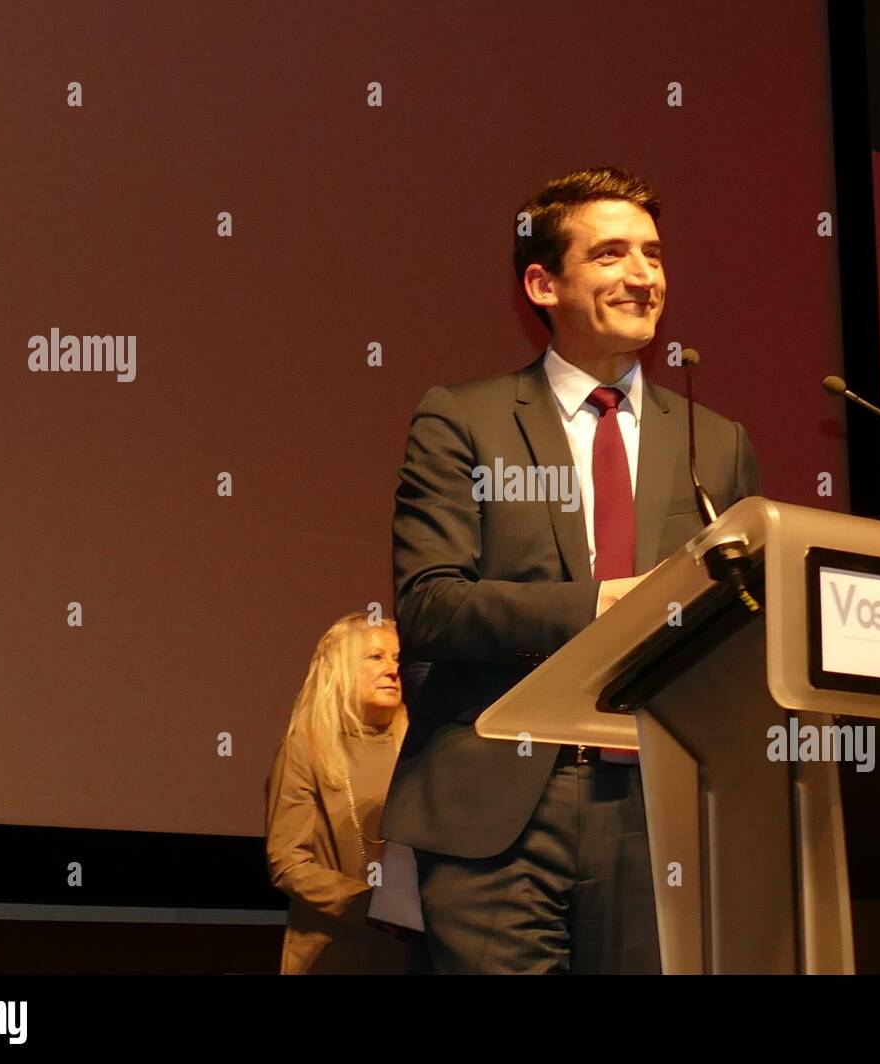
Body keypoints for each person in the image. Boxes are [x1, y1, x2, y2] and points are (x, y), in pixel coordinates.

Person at [383, 165, 761, 973]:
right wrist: (606, 607)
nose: (643, 277)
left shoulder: (716, 440)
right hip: (501, 806)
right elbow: (430, 606)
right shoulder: (463, 418)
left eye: (654, 256)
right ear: (542, 282)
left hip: (658, 807)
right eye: (612, 255)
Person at [265, 611, 426, 974]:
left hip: (414, 949)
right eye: (375, 657)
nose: (393, 670)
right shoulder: (307, 749)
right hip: (333, 948)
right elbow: (289, 863)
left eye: (398, 658)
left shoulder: (418, 750)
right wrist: (370, 904)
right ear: (340, 669)